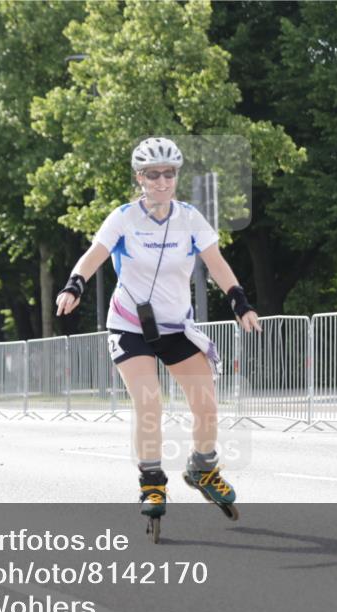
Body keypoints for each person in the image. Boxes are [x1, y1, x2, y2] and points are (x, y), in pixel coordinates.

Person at [55, 137, 261, 521]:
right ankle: (151, 481)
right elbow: (94, 255)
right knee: (149, 402)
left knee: (206, 404)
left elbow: (215, 262)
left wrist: (239, 300)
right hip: (129, 325)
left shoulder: (189, 218)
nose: (162, 181)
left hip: (175, 326)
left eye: (169, 174)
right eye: (153, 175)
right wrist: (74, 284)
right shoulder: (123, 218)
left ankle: (203, 468)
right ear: (140, 178)